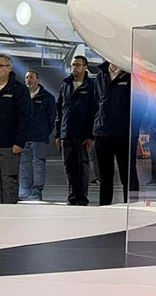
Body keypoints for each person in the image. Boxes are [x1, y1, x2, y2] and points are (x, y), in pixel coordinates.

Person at [0, 53, 30, 203]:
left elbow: (25, 117)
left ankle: (10, 216)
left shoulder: (19, 90)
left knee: (9, 183)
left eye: (0, 65)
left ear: (9, 68)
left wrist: (19, 142)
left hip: (9, 145)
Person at [94, 61, 138, 205]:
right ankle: (104, 209)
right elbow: (96, 102)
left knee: (128, 176)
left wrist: (133, 131)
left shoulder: (130, 74)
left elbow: (140, 107)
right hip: (103, 133)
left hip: (124, 134)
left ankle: (132, 207)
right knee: (105, 178)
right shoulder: (100, 75)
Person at [56, 55, 98, 206]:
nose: (75, 68)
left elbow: (94, 111)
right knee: (69, 167)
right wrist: (58, 133)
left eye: (78, 65)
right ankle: (72, 196)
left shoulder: (91, 86)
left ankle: (81, 198)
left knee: (82, 168)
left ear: (85, 67)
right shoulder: (65, 85)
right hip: (66, 133)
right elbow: (59, 110)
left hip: (82, 135)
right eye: (73, 65)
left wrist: (90, 135)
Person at [20, 69, 55, 201]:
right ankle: (25, 190)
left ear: (38, 80)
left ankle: (36, 191)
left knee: (38, 163)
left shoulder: (47, 98)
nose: (28, 80)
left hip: (38, 137)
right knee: (24, 164)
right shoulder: (21, 96)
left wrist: (44, 132)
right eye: (26, 78)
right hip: (23, 137)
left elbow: (51, 118)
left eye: (31, 77)